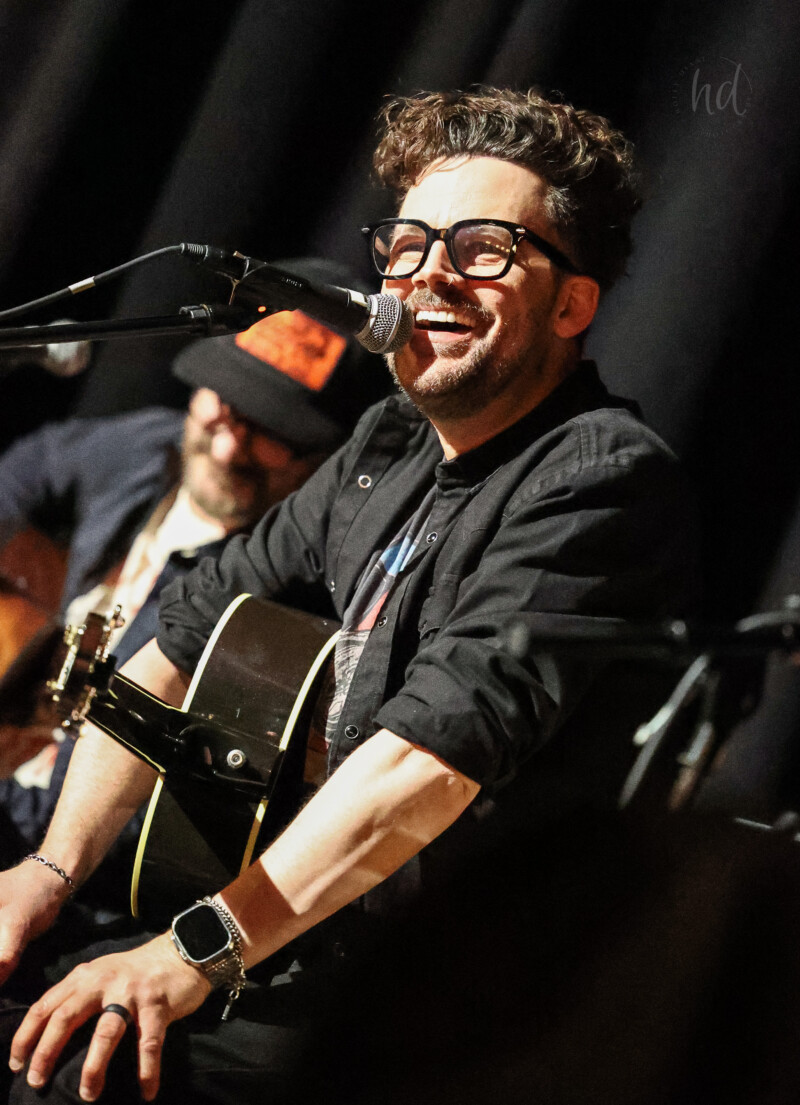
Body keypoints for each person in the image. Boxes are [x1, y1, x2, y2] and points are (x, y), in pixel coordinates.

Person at [0, 88, 697, 1104]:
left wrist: (192, 953)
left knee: (61, 1079)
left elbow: (425, 764)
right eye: (408, 245)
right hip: (283, 934)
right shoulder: (388, 443)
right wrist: (51, 869)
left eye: (484, 249)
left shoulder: (597, 478)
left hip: (429, 995)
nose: (429, 275)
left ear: (571, 305)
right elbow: (183, 634)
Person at [0, 255, 390, 861]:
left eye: (271, 431)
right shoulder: (150, 448)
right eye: (226, 406)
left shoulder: (278, 607)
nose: (229, 447)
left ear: (327, 457)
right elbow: (24, 470)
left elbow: (120, 823)